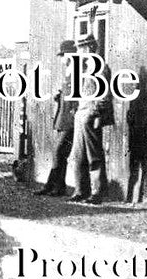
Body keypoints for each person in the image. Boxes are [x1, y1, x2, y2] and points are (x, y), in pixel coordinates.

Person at [68, 34, 113, 204]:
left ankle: (97, 192)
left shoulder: (101, 69)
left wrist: (95, 113)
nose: (79, 51)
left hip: (90, 115)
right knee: (78, 155)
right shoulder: (83, 68)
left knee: (93, 155)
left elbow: (104, 95)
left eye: (82, 48)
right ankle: (80, 190)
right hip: (80, 114)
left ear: (91, 48)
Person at [33, 39, 78, 196]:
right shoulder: (69, 70)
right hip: (62, 116)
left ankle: (57, 187)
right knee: (58, 153)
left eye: (63, 55)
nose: (62, 58)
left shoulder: (77, 70)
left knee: (59, 152)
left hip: (70, 118)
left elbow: (77, 97)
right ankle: (52, 186)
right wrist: (60, 94)